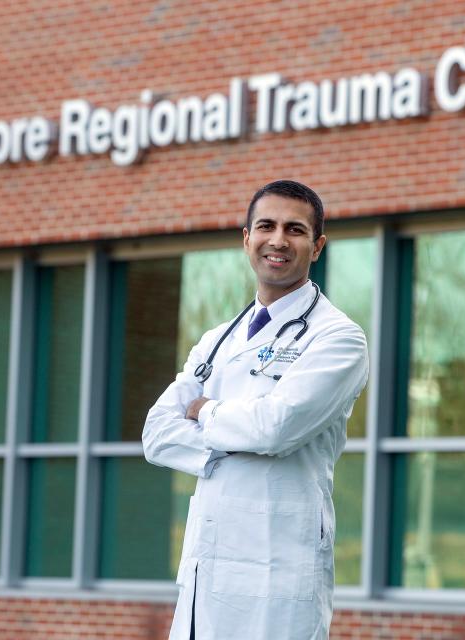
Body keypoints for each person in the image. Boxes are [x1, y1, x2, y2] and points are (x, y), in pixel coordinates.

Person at [142, 180, 369, 639]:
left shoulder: (337, 338)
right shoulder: (218, 339)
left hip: (279, 566)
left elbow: (275, 429)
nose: (278, 240)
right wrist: (229, 443)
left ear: (317, 246)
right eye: (266, 226)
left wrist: (205, 411)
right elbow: (157, 434)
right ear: (246, 238)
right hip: (209, 565)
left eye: (295, 229)